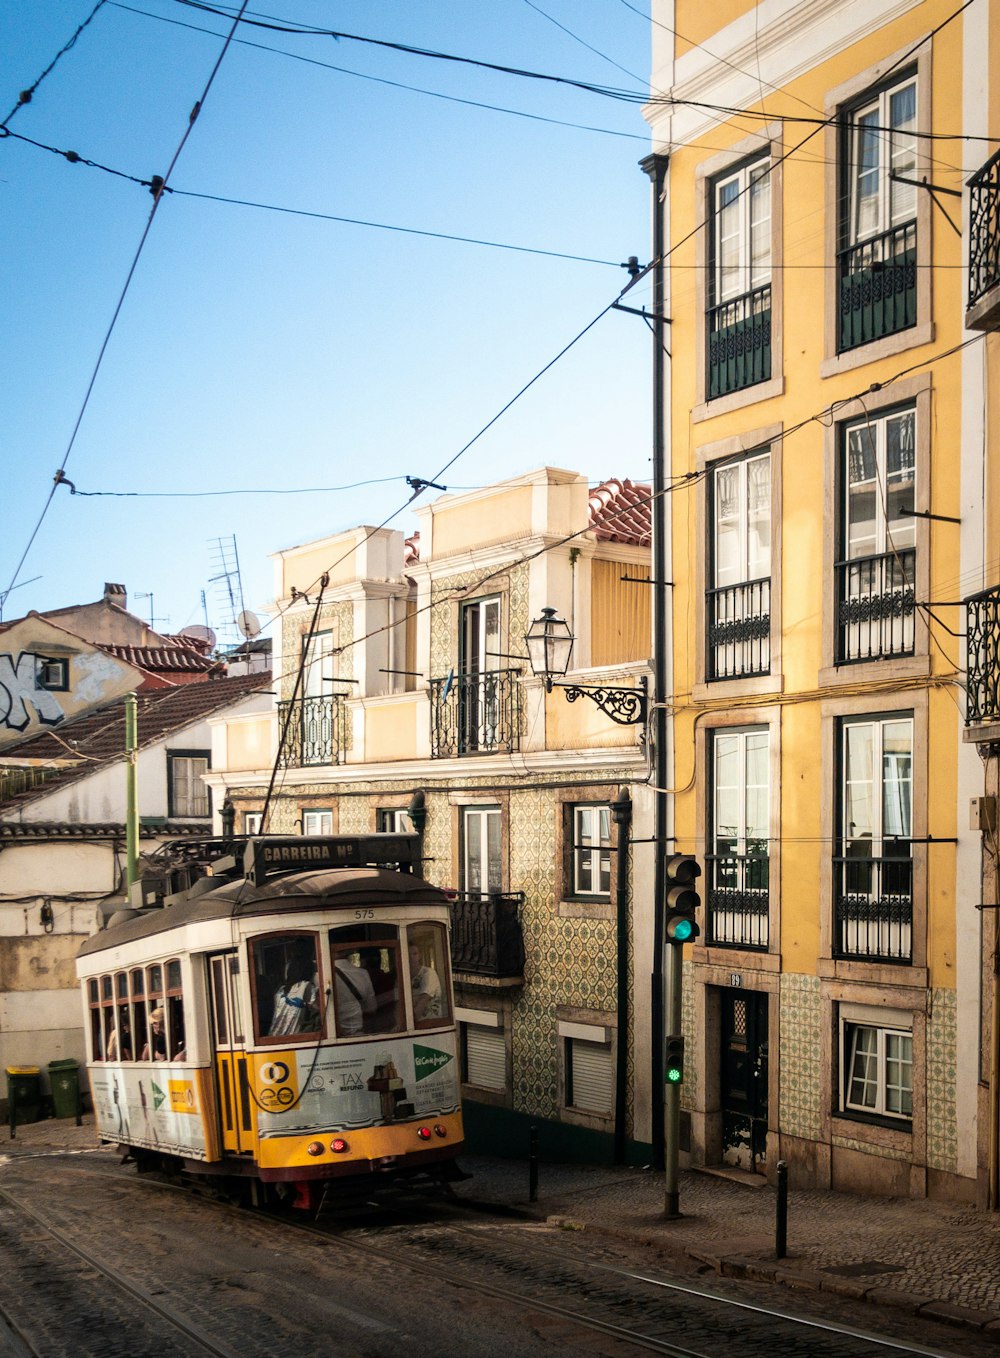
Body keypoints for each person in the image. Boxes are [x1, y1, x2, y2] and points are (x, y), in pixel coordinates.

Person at [269, 957, 319, 1037]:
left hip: (273, 1038)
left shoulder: (280, 990)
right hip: (294, 1039)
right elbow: (320, 1012)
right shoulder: (306, 987)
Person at [334, 954, 376, 1036]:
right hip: (359, 1034)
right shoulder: (362, 973)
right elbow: (372, 1008)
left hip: (335, 1036)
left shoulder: (319, 976)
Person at [409, 941, 442, 1021]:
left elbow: (423, 1001)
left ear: (419, 956)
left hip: (430, 1024)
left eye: (415, 954)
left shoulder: (428, 973)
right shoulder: (404, 976)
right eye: (408, 954)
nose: (411, 957)